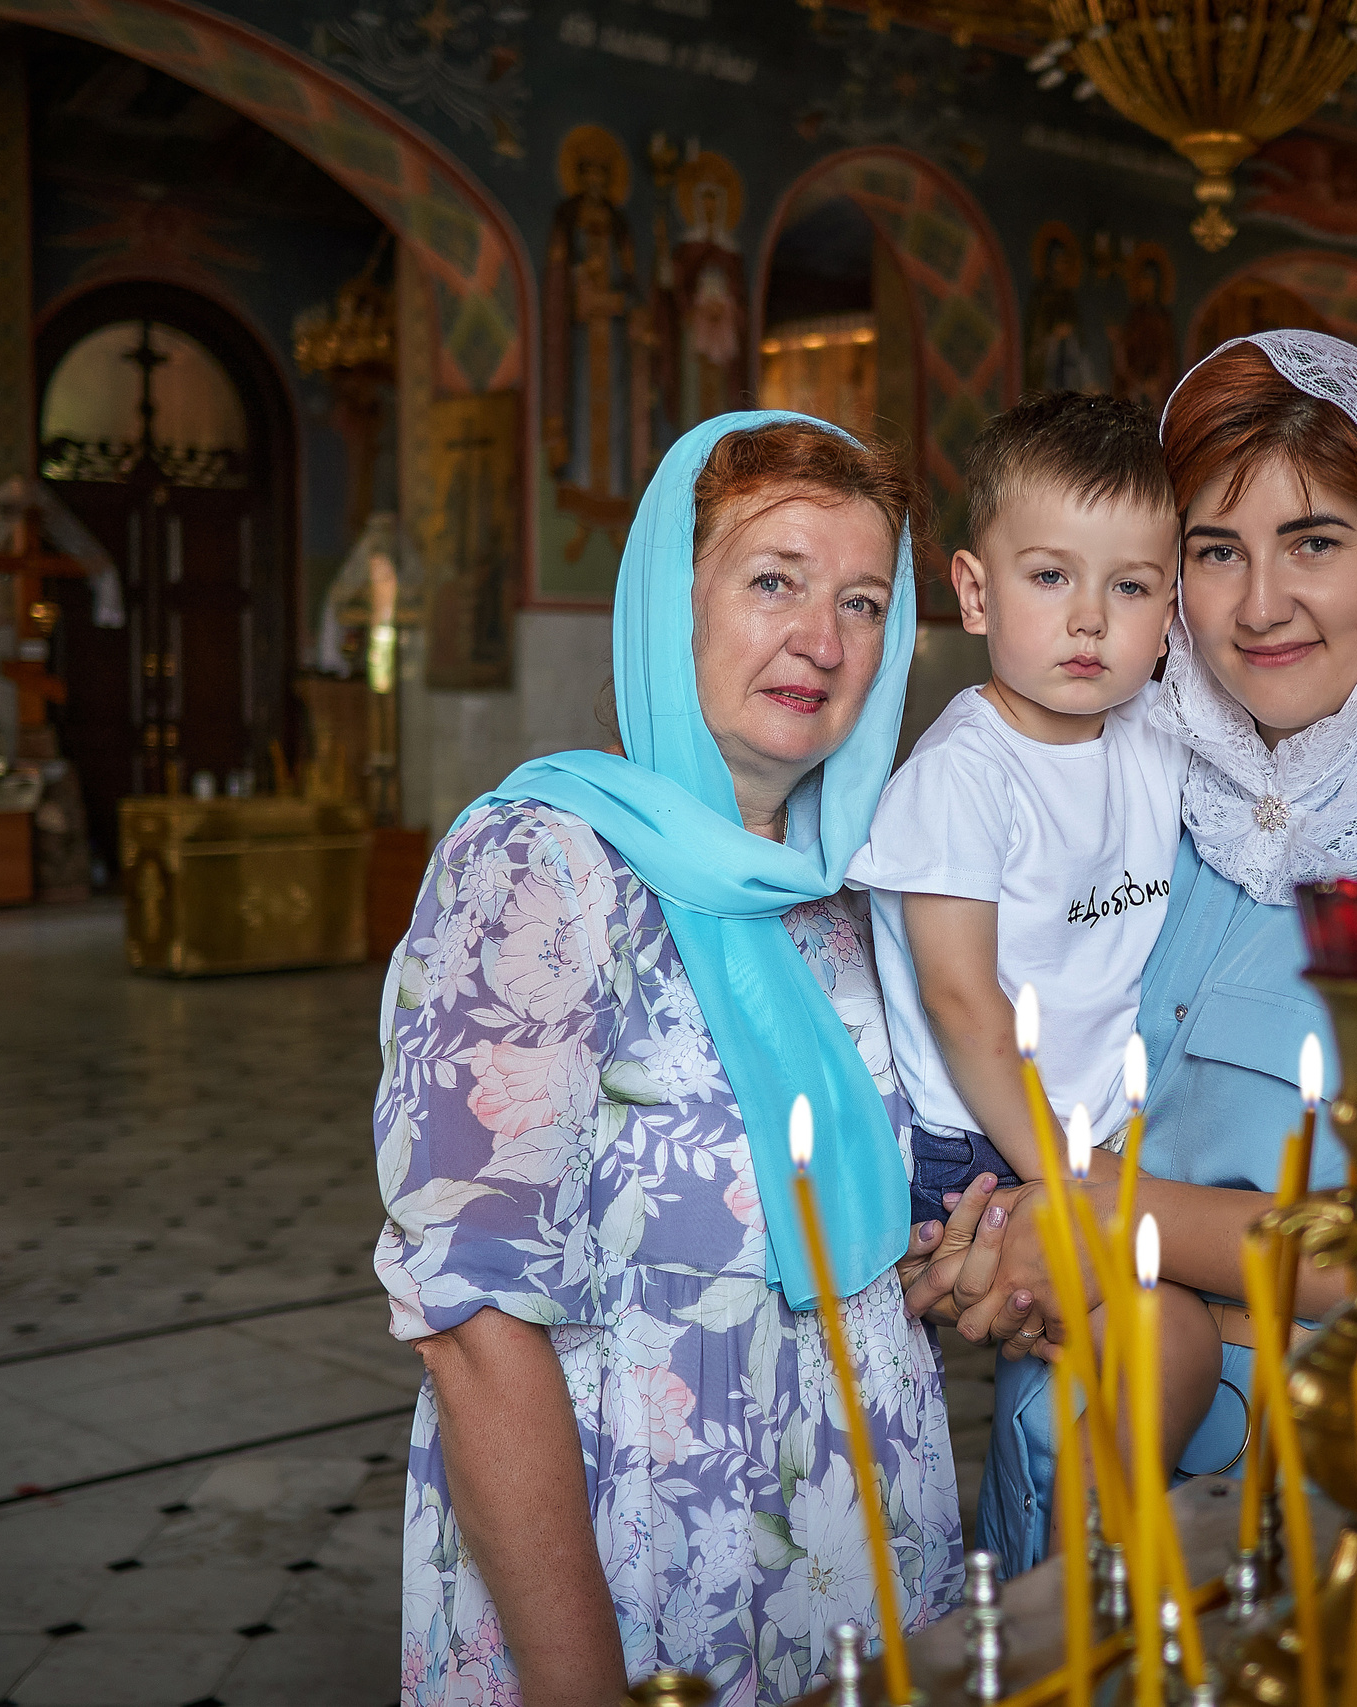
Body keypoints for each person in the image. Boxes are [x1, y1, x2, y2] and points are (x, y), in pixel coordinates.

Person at [900, 331, 1357, 1571]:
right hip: (1061, 1443)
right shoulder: (1144, 788)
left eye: (1315, 542)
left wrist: (1107, 1217)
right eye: (1214, 550)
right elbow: (1003, 1047)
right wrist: (987, 1244)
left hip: (1319, 1480)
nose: (1259, 604)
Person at [374, 414, 962, 1706]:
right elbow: (471, 1315)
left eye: (863, 602)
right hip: (634, 1536)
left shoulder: (847, 889)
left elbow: (840, 1222)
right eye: (774, 581)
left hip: (854, 1519)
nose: (822, 640)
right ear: (667, 603)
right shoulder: (542, 866)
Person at [845, 392, 1218, 1469]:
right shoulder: (961, 776)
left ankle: (1102, 1536)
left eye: (1130, 586)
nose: (1090, 619)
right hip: (981, 1143)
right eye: (1051, 576)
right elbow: (961, 1000)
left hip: (1097, 1128)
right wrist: (1066, 1181)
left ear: (1171, 611)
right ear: (975, 591)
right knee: (1170, 1339)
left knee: (1182, 1337)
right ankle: (1093, 1563)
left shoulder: (1154, 738)